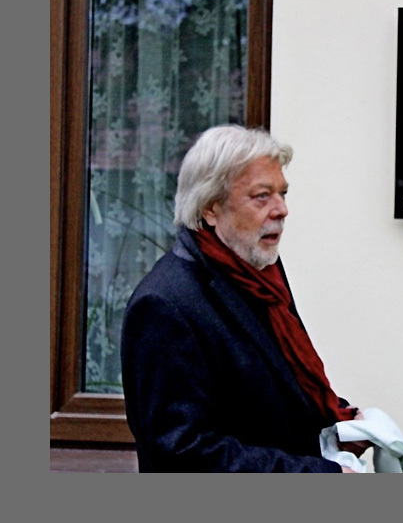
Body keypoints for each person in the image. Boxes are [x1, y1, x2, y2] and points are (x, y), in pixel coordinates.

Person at [121, 125, 368, 472]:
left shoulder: (260, 274)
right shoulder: (164, 305)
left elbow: (275, 392)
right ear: (210, 208)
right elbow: (182, 451)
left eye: (283, 193)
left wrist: (337, 427)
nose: (282, 210)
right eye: (262, 196)